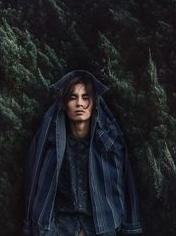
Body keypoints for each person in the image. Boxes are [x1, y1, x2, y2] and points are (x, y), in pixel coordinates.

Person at [23, 70, 143, 236]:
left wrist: (130, 228)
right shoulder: (50, 143)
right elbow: (34, 181)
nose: (79, 103)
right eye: (73, 97)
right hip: (60, 227)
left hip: (101, 227)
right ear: (65, 104)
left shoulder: (109, 144)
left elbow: (126, 185)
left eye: (85, 97)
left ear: (94, 103)